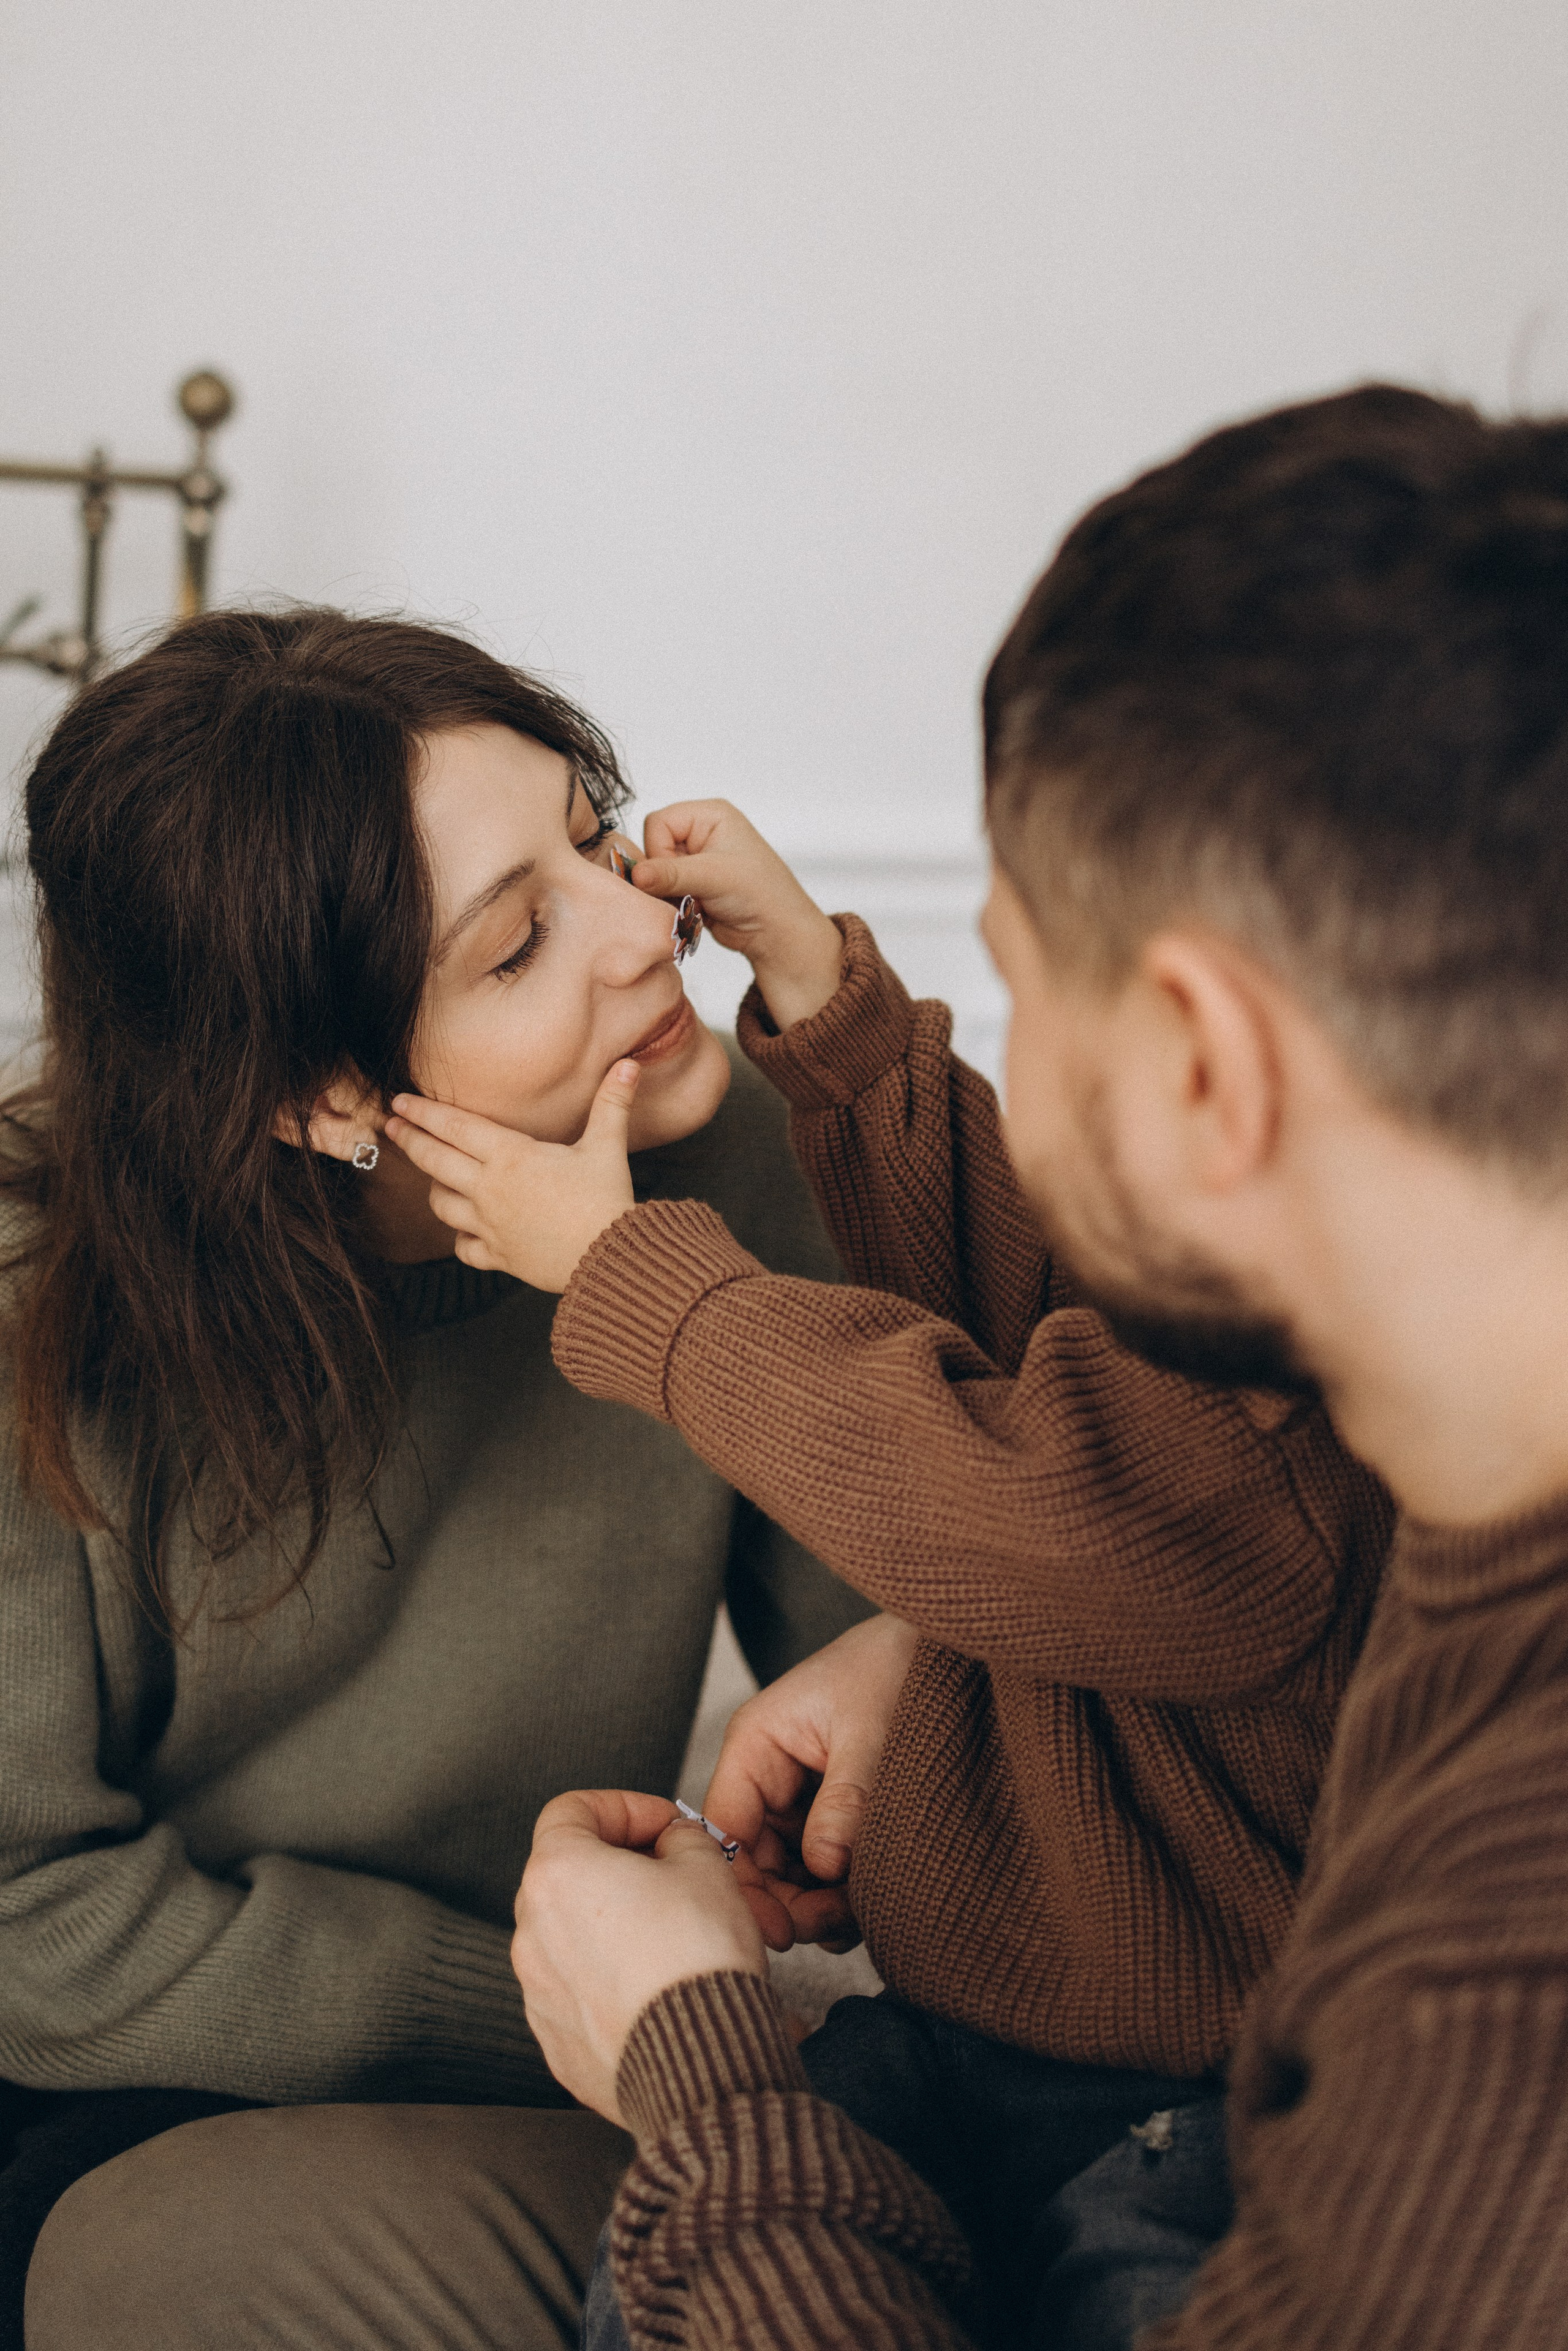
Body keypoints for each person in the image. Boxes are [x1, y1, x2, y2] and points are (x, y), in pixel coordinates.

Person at [407, 382, 1568, 2349]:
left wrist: (702, 2064)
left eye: (1026, 984)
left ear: (1207, 1065)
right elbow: (1067, 1400)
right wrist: (946, 1642)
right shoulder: (1445, 1485)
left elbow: (1075, 1475)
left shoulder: (1488, 1994)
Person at [3, 608, 873, 2351]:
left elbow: (897, 1651)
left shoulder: (724, 1156)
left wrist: (897, 1679)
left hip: (597, 2060)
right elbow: (31, 1916)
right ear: (317, 1095)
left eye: (593, 842)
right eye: (519, 945)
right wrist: (589, 2015)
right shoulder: (34, 1307)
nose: (647, 930)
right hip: (137, 2078)